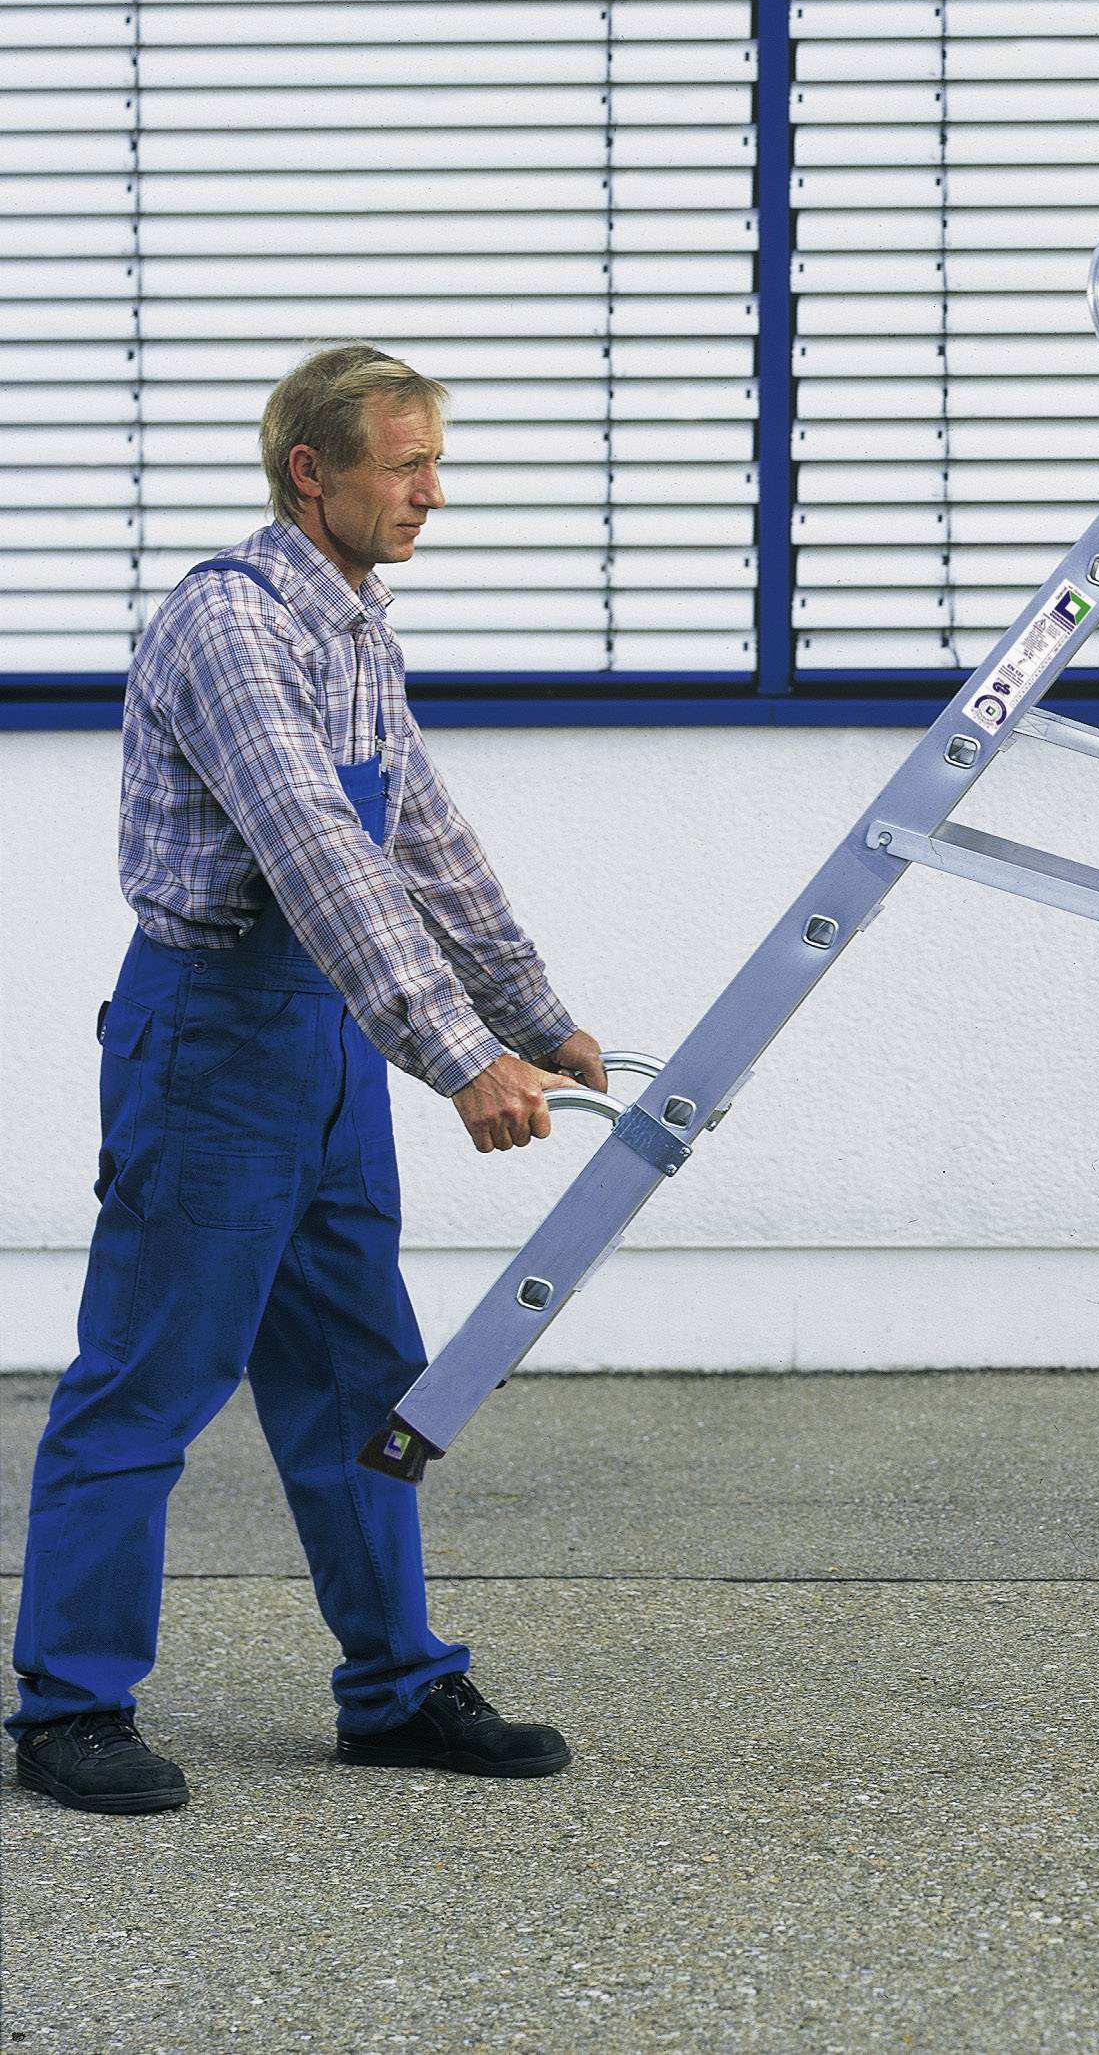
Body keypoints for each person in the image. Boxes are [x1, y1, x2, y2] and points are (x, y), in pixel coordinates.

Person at [9, 344, 602, 1815]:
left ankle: (395, 1685)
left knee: (365, 1385)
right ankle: (68, 1706)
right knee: (148, 1380)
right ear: (311, 474)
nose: (430, 493)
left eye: (432, 464)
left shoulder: (356, 631)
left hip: (326, 1048)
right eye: (405, 465)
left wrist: (535, 1011)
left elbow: (424, 837)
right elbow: (316, 851)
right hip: (211, 1044)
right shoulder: (230, 622)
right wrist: (458, 1052)